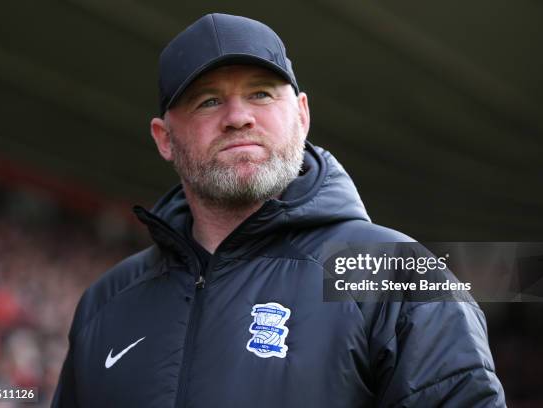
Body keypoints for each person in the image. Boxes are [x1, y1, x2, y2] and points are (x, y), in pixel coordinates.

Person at [52, 13, 505, 407]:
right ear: (164, 138)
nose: (238, 116)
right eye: (209, 100)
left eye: (262, 94)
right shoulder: (105, 304)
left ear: (302, 115)